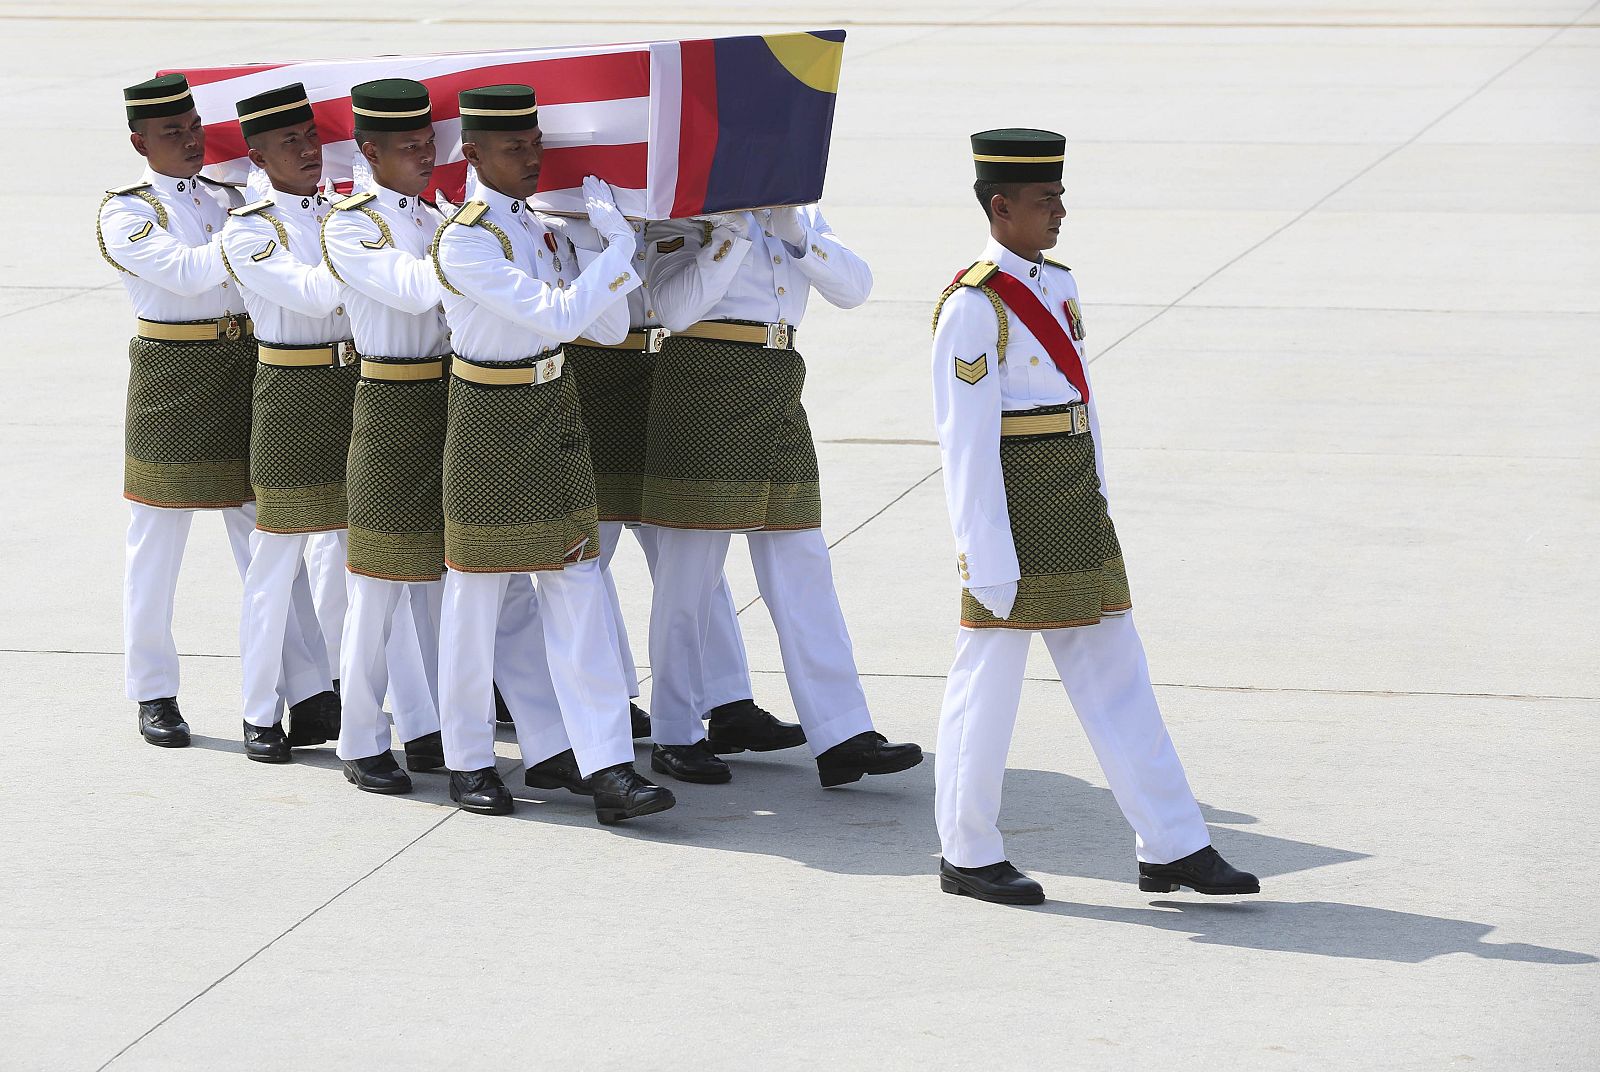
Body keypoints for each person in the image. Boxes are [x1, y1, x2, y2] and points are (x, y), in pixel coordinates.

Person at [930, 128, 1260, 905]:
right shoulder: (974, 306)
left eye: (1061, 197)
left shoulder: (1058, 286)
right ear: (1001, 206)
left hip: (1074, 505)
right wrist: (984, 553)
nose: (1061, 212)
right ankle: (968, 852)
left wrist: (1100, 494)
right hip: (1014, 516)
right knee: (988, 684)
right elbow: (964, 445)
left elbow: (1081, 407)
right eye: (1047, 201)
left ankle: (1173, 843)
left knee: (1119, 670)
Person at [430, 83, 674, 824]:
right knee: (478, 600)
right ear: (472, 154)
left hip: (552, 407)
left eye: (536, 145)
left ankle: (606, 767)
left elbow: (600, 331)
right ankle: (469, 760)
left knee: (578, 589)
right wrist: (619, 251)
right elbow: (559, 314)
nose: (532, 160)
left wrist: (601, 247)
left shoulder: (542, 231)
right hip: (489, 419)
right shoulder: (467, 238)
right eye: (514, 148)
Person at [640, 206, 923, 787]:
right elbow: (673, 308)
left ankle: (842, 731)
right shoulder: (683, 210)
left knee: (803, 565)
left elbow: (856, 288)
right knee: (689, 575)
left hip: (777, 378)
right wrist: (730, 236)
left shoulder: (796, 210)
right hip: (703, 381)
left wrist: (797, 235)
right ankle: (674, 730)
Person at [103, 74, 324, 748]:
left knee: (266, 534)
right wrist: (257, 240)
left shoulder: (230, 198)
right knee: (156, 544)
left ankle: (311, 688)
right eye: (172, 132)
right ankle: (154, 691)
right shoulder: (128, 212)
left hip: (244, 369)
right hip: (173, 380)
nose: (191, 139)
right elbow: (194, 273)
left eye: (195, 126)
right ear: (141, 141)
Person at [556, 216, 796, 781]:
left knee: (689, 548)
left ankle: (726, 700)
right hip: (595, 361)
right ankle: (593, 708)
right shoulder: (555, 201)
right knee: (584, 556)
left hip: (668, 358)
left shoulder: (675, 194)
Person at [318, 78, 454, 791]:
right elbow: (413, 289)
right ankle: (360, 736)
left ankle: (429, 726)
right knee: (378, 583)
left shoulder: (436, 218)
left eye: (429, 143)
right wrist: (478, 248)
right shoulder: (351, 223)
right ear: (369, 151)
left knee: (439, 584)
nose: (424, 157)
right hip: (393, 402)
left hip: (451, 400)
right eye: (407, 147)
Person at [220, 81, 352, 763]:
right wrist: (376, 265)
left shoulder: (342, 212)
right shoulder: (248, 230)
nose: (308, 151)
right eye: (289, 143)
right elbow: (315, 294)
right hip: (293, 395)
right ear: (257, 155)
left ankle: (333, 689)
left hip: (355, 388)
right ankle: (258, 709)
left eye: (311, 138)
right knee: (275, 563)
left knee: (356, 558)